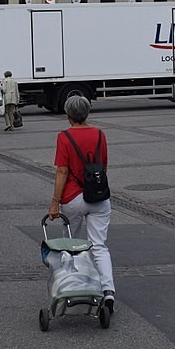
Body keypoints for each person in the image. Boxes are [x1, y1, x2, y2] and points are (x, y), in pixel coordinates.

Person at [48, 95, 115, 311]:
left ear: (68, 115)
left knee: (72, 244)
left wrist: (55, 202)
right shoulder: (99, 134)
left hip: (73, 197)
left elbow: (62, 171)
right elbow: (103, 166)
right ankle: (108, 290)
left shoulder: (64, 137)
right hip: (98, 196)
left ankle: (73, 285)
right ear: (87, 113)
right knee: (99, 246)